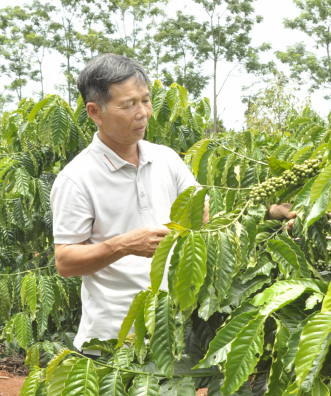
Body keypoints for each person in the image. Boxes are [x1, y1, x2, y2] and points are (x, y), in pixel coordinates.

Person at [51, 54, 295, 356]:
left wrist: (271, 214)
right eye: (128, 104)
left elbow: (206, 218)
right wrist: (124, 245)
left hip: (172, 333)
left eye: (146, 100)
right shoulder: (77, 178)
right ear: (95, 111)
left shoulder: (165, 158)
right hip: (112, 343)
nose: (143, 113)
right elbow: (64, 262)